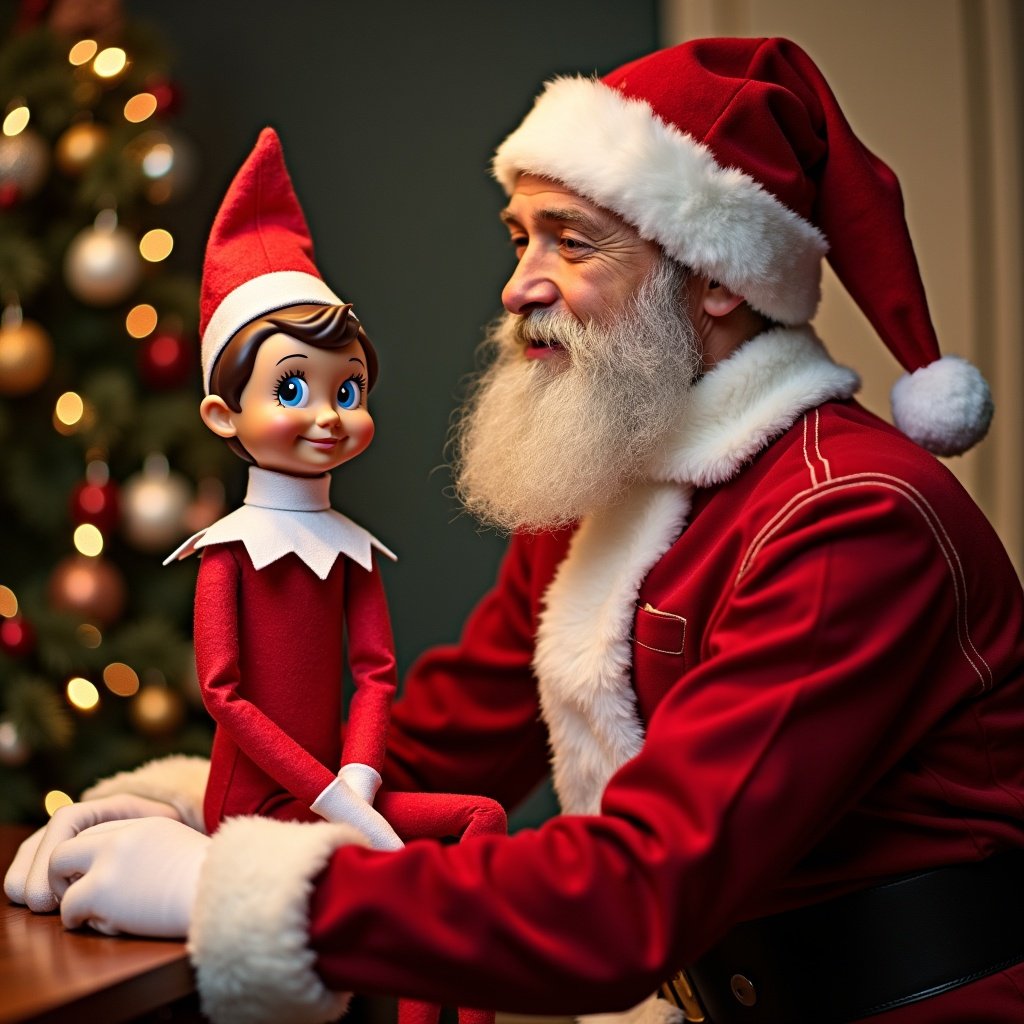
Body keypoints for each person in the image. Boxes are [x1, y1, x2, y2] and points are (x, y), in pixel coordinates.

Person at [6, 36, 1024, 1024]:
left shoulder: (850, 519)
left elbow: (629, 896)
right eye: (518, 235)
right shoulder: (615, 489)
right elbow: (437, 748)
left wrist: (229, 890)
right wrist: (199, 811)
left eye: (571, 239)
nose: (518, 284)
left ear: (717, 274)